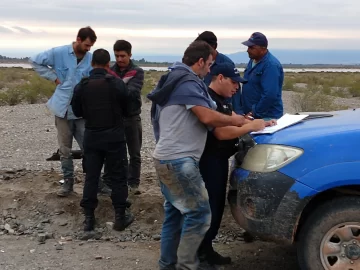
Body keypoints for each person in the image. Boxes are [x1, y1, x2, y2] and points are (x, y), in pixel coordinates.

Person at [147, 41, 247, 270]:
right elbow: (208, 117)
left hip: (166, 157)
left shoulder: (175, 78)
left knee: (175, 214)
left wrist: (240, 118)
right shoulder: (187, 81)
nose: (210, 70)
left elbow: (213, 109)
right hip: (178, 160)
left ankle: (168, 264)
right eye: (209, 64)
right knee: (200, 213)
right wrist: (237, 121)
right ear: (200, 62)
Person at [197, 62, 275, 266]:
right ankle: (200, 255)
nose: (236, 88)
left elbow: (234, 118)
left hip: (220, 161)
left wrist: (260, 124)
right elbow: (221, 132)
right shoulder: (208, 99)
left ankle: (207, 249)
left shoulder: (221, 100)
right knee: (209, 208)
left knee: (216, 207)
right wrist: (249, 126)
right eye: (233, 82)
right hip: (209, 162)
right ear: (220, 78)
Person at [71, 49, 134, 232]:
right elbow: (128, 109)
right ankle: (120, 217)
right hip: (114, 136)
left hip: (92, 136)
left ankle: (89, 219)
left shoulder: (82, 85)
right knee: (118, 177)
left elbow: (77, 111)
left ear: (92, 64)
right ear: (108, 64)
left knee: (91, 177)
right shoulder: (116, 84)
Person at [29, 26, 97, 197]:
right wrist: (53, 77)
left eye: (91, 46)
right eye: (87, 45)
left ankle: (95, 182)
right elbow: (35, 60)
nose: (89, 49)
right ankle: (68, 183)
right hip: (63, 111)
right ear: (79, 39)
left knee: (89, 148)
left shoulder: (90, 59)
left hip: (82, 112)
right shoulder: (58, 52)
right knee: (65, 150)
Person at [101, 40, 144, 195]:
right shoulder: (109, 71)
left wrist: (115, 87)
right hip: (114, 118)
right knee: (111, 152)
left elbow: (132, 93)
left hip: (132, 117)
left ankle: (133, 184)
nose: (119, 59)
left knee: (134, 153)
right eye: (117, 55)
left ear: (130, 55)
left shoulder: (138, 72)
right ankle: (108, 181)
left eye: (122, 56)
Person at [195, 31, 243, 114]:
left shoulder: (226, 63)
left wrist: (238, 114)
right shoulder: (198, 63)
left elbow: (235, 90)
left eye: (204, 47)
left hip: (223, 110)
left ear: (214, 47)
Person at [240, 32, 284, 120]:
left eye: (252, 47)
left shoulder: (271, 65)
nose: (248, 50)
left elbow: (269, 95)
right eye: (248, 47)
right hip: (251, 115)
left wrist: (253, 112)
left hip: (267, 117)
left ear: (263, 49)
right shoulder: (253, 60)